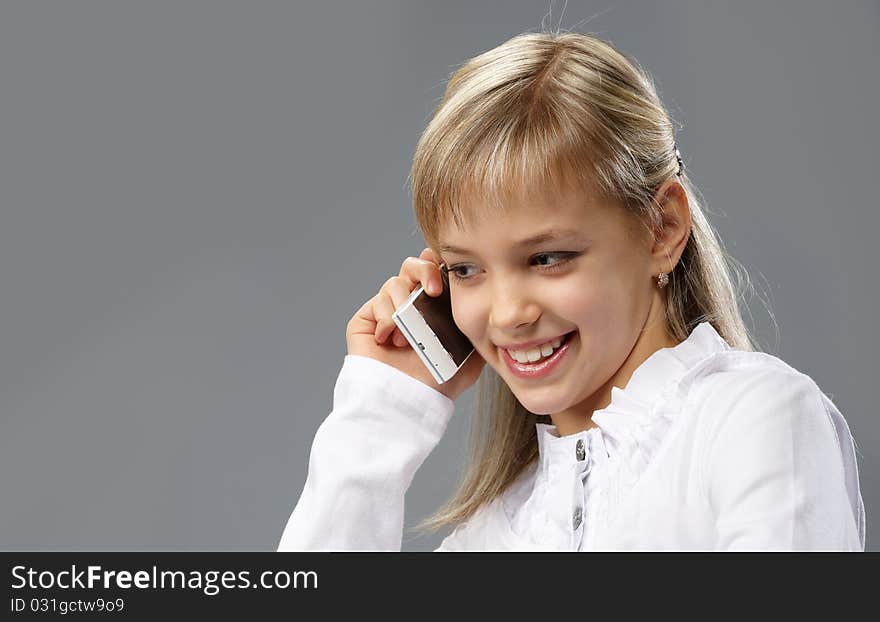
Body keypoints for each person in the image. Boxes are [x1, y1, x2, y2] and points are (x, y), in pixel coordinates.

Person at [277, 31, 865, 551]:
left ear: (662, 229)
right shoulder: (494, 532)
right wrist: (380, 413)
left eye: (547, 258)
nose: (508, 315)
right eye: (464, 269)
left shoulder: (754, 420)